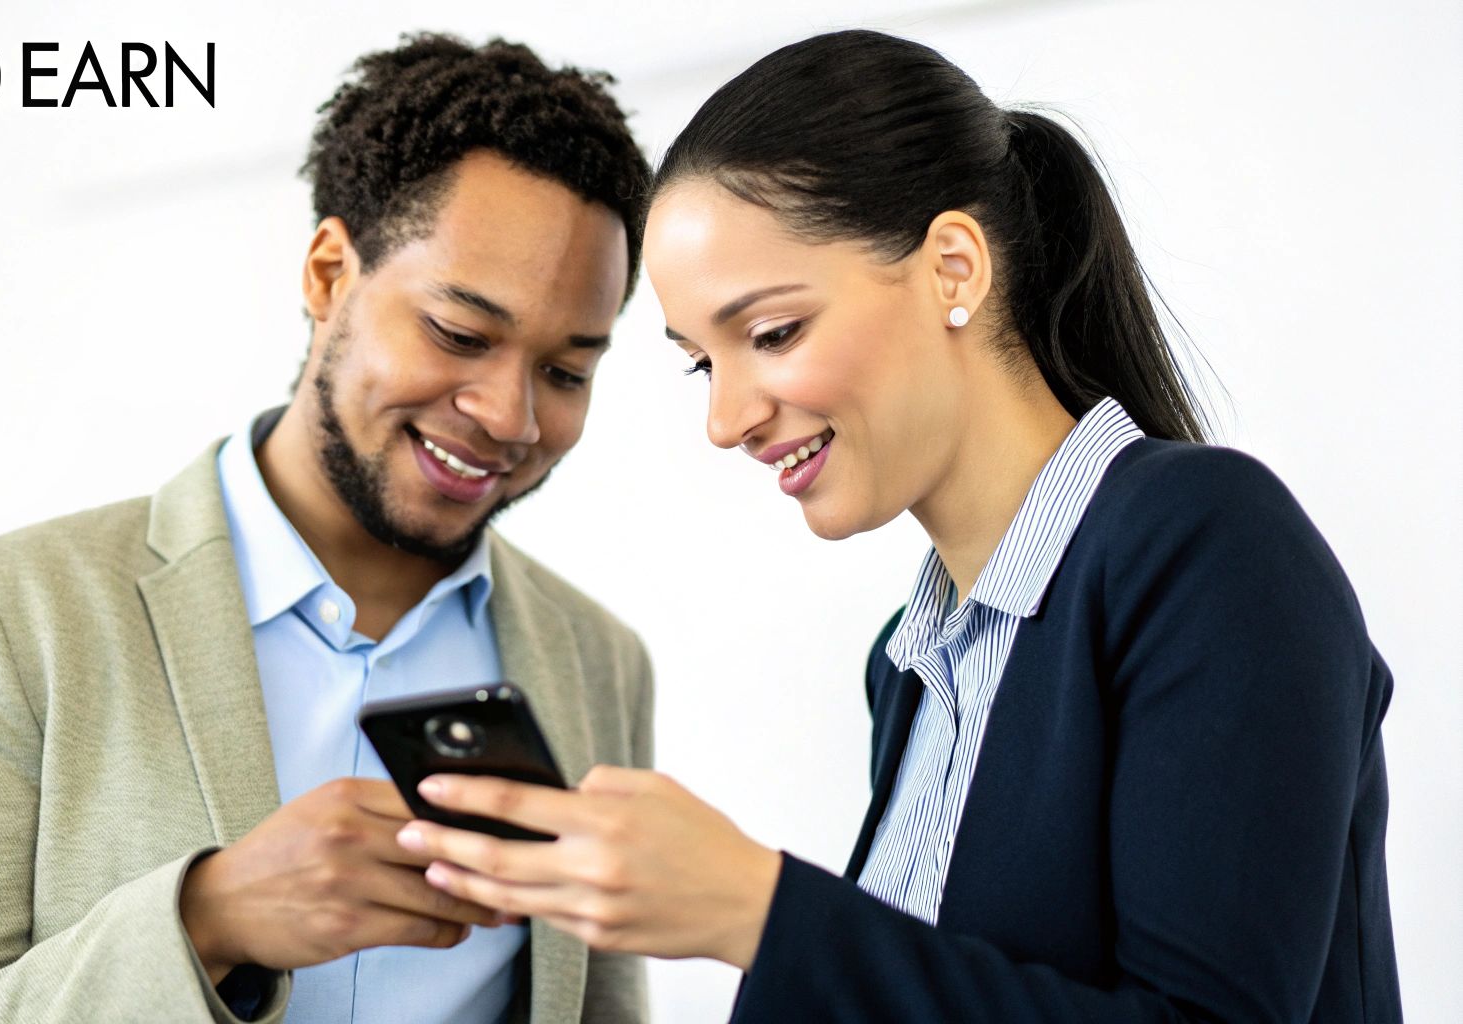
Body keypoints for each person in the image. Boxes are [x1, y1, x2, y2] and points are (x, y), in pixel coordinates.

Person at [397, 29, 1402, 1023]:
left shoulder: (1203, 545)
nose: (726, 418)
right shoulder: (911, 664)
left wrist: (755, 907)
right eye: (704, 362)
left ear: (954, 270)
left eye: (770, 333)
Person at [0, 34, 655, 1024]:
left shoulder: (599, 663)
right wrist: (205, 918)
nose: (511, 417)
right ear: (327, 273)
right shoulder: (14, 614)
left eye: (565, 370)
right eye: (460, 335)